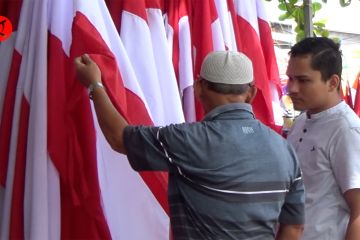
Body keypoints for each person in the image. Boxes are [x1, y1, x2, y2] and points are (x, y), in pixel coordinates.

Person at [74, 51, 304, 240]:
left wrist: (95, 85)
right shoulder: (284, 149)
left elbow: (119, 137)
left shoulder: (187, 140)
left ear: (198, 88)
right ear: (252, 92)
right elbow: (293, 228)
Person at [286, 37, 360, 240]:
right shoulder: (303, 120)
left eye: (303, 80)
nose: (292, 88)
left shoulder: (347, 130)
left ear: (332, 82)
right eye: (290, 78)